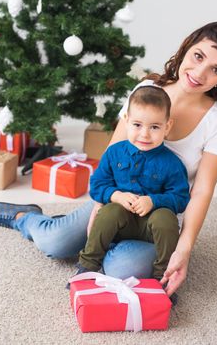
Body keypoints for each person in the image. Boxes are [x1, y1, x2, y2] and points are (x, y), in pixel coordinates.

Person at [0, 21, 217, 298]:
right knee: (55, 243)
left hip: (158, 217)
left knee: (121, 267)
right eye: (198, 56)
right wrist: (98, 207)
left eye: (216, 70)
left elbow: (201, 192)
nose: (200, 73)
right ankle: (26, 217)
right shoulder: (148, 89)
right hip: (116, 201)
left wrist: (184, 249)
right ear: (186, 48)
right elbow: (113, 153)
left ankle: (113, 248)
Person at [76, 85, 190, 282]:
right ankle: (88, 265)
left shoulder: (172, 163)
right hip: (119, 223)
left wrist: (153, 201)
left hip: (150, 228)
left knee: (165, 218)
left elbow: (180, 198)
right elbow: (97, 184)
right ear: (126, 121)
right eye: (137, 125)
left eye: (154, 127)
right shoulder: (114, 153)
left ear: (167, 126)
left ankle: (162, 276)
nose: (145, 134)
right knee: (110, 211)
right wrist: (116, 195)